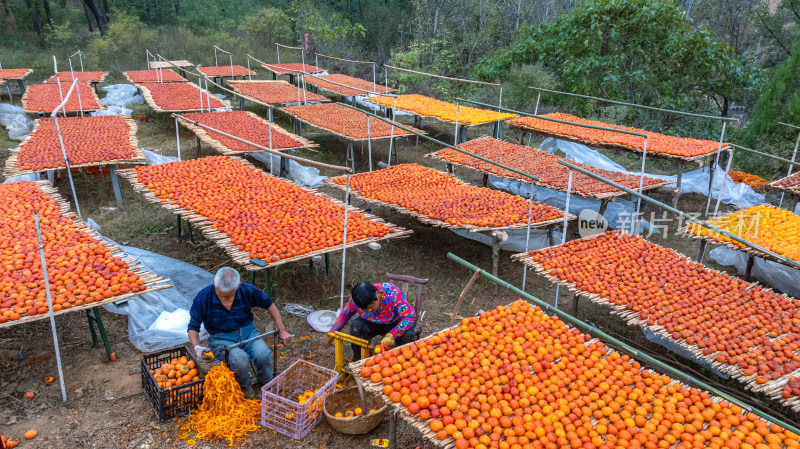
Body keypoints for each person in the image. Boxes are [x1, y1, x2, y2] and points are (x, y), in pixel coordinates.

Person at [188, 267, 291, 398]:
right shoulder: (203, 298)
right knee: (239, 359)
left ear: (238, 286)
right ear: (214, 283)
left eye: (229, 296)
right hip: (221, 338)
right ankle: (244, 385)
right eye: (221, 296)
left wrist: (282, 330)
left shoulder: (246, 290)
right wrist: (197, 347)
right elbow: (193, 326)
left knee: (262, 353)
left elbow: (269, 304)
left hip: (248, 332)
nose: (226, 300)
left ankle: (266, 380)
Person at [327, 282, 416, 360]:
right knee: (356, 326)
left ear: (378, 294)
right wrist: (331, 334)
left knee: (407, 335)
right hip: (373, 323)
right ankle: (359, 359)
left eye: (371, 306)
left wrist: (392, 334)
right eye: (365, 309)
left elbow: (410, 316)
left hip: (395, 323)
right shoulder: (357, 300)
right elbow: (344, 314)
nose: (369, 310)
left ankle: (401, 361)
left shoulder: (392, 294)